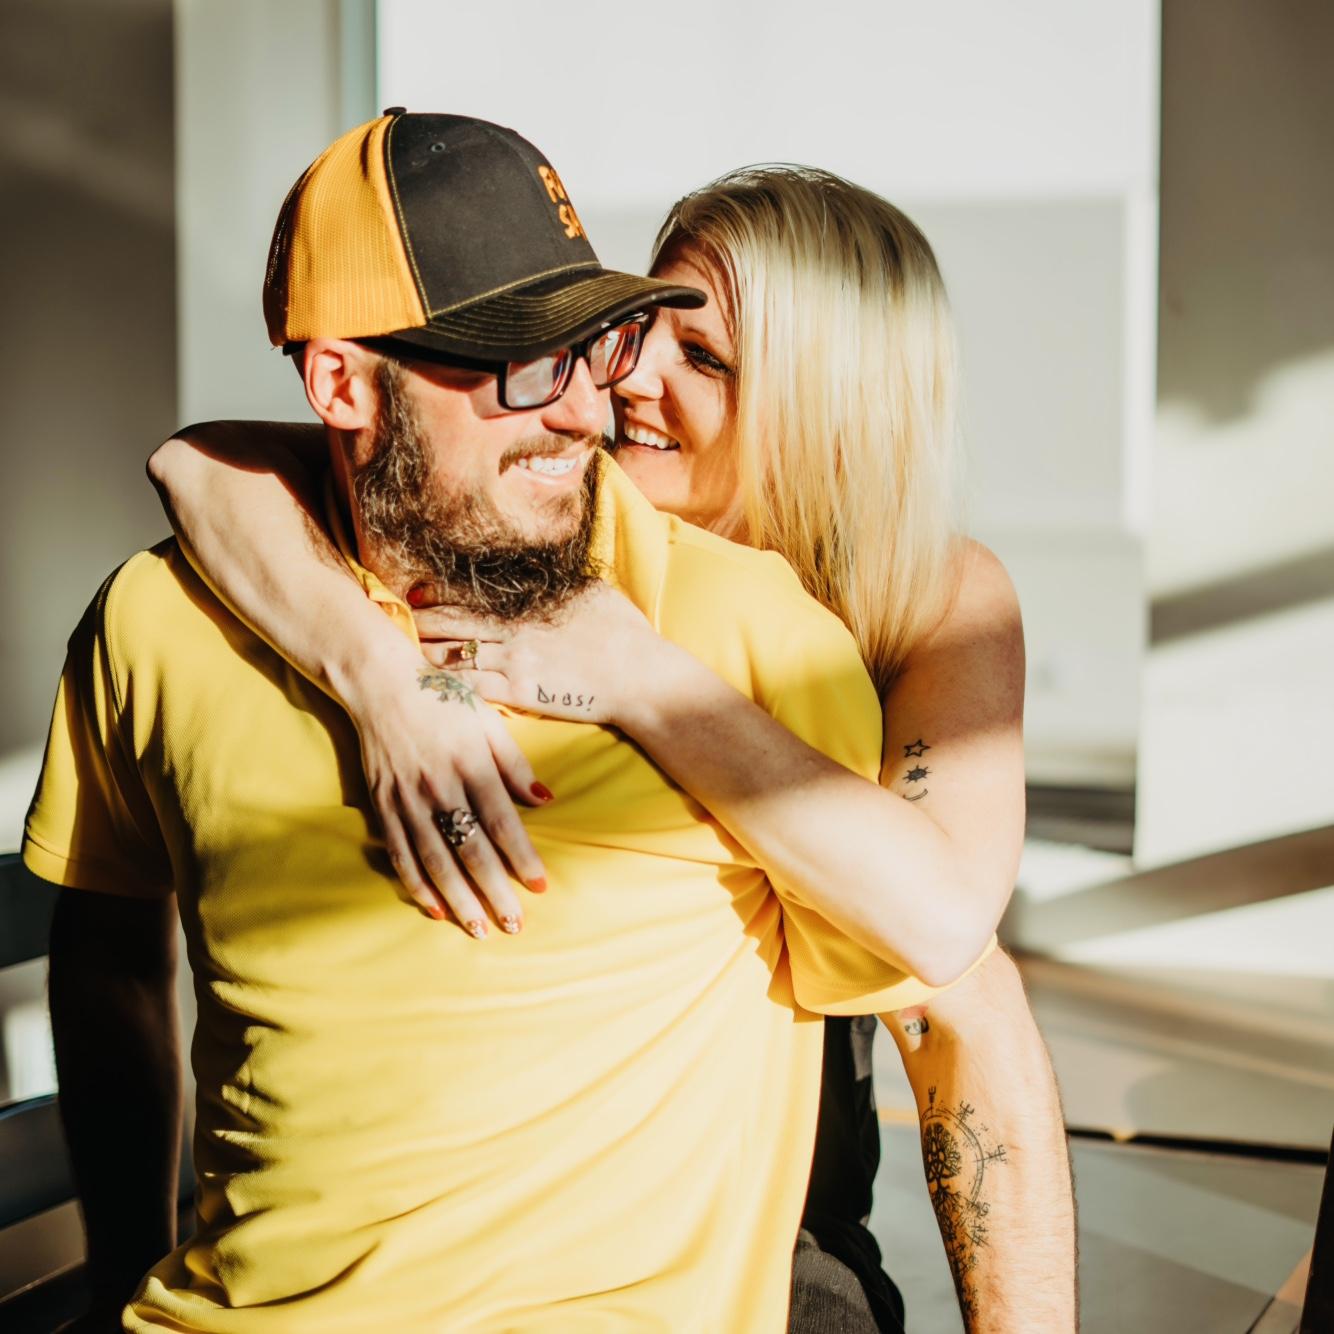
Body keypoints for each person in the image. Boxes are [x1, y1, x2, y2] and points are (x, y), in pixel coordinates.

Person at [28, 110, 1018, 1333]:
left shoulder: (855, 615)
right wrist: (382, 676)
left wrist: (646, 679)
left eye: (697, 359)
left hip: (768, 1176)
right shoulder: (170, 606)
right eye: (590, 346)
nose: (609, 400)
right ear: (340, 383)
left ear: (824, 413)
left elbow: (961, 978)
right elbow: (210, 467)